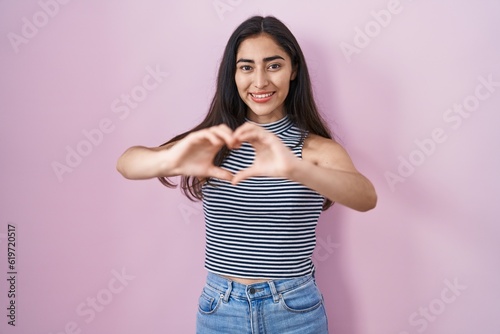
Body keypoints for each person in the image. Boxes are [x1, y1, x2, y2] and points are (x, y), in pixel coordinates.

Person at [117, 15, 376, 334]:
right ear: (233, 74)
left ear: (293, 70)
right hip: (220, 307)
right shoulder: (213, 142)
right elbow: (128, 163)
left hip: (294, 309)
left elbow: (365, 196)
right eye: (247, 67)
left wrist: (294, 168)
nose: (260, 82)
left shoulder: (314, 149)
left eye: (274, 65)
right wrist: (171, 159)